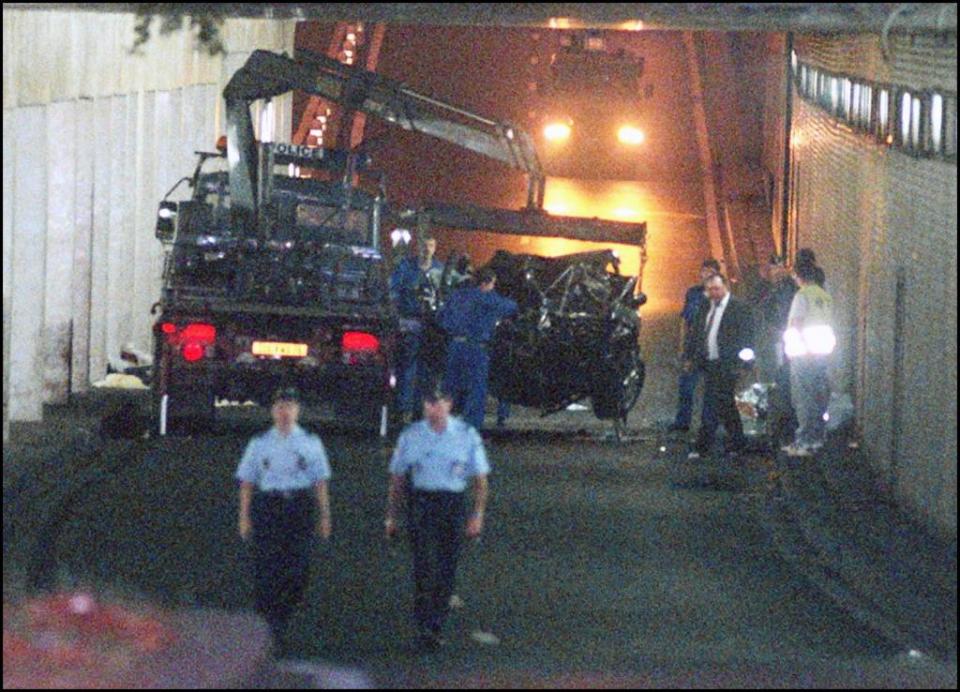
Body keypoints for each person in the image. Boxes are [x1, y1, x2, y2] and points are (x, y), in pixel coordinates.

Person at [384, 384, 490, 653]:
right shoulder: (411, 436)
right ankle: (423, 624)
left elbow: (480, 480)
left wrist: (477, 515)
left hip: (452, 504)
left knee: (446, 567)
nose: (434, 408)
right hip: (422, 503)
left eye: (439, 402)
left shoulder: (466, 435)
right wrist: (392, 517)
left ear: (449, 404)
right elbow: (397, 479)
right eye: (429, 403)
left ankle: (436, 623)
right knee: (423, 565)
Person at [236, 387, 332, 653]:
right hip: (269, 507)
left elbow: (319, 481)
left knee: (297, 569)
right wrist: (244, 518)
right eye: (280, 407)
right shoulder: (260, 444)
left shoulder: (310, 443)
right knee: (267, 567)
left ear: (297, 411)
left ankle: (285, 611)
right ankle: (271, 626)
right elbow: (247, 481)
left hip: (298, 507)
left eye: (289, 407)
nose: (284, 412)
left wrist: (324, 516)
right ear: (272, 411)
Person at [683, 273, 755, 459]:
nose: (713, 293)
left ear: (725, 287)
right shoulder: (706, 306)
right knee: (723, 403)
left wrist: (744, 364)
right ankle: (735, 443)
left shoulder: (739, 308)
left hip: (727, 363)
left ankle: (706, 444)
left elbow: (747, 337)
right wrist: (690, 356)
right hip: (709, 362)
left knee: (717, 401)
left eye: (716, 289)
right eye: (710, 290)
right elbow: (697, 332)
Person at [438, 267, 518, 431]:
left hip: (454, 347)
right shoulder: (487, 298)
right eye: (493, 284)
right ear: (487, 283)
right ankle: (470, 430)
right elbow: (510, 307)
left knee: (450, 389)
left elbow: (441, 318)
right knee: (475, 391)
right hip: (475, 349)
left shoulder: (456, 295)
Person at [781, 261, 836, 456]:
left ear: (798, 276)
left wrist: (791, 347)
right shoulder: (824, 295)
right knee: (818, 395)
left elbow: (796, 323)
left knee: (803, 398)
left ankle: (803, 441)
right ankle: (817, 438)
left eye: (794, 275)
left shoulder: (802, 295)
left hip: (803, 354)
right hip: (821, 353)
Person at [390, 236, 444, 420]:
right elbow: (394, 292)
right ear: (418, 248)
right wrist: (398, 317)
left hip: (431, 327)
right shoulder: (406, 267)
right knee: (406, 367)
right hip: (410, 323)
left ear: (435, 248)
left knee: (426, 372)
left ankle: (419, 410)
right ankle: (401, 408)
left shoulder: (439, 270)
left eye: (430, 245)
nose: (427, 249)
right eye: (424, 246)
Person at [669, 259, 721, 433]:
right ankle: (682, 422)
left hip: (711, 348)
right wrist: (682, 347)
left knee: (711, 390)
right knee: (686, 386)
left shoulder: (720, 295)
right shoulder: (693, 293)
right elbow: (685, 320)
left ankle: (708, 425)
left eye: (711, 272)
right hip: (693, 347)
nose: (707, 275)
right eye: (704, 271)